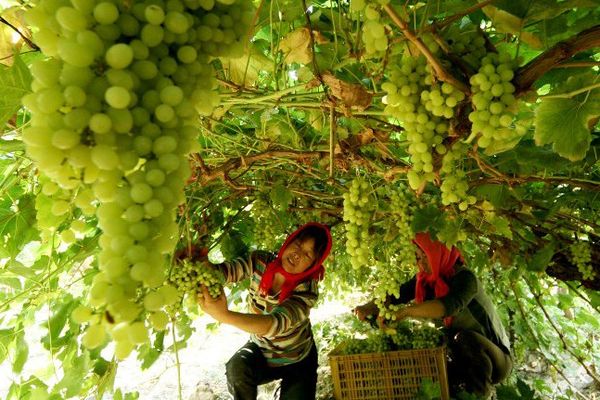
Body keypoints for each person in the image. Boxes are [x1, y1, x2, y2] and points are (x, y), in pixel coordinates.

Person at [354, 232, 513, 398]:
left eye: (426, 255)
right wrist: (368, 308)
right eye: (418, 256)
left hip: (496, 361)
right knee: (432, 373)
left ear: (438, 253)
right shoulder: (427, 281)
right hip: (461, 356)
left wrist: (407, 311)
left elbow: (449, 306)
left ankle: (482, 395)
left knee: (465, 338)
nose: (421, 261)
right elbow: (394, 295)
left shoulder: (465, 278)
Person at [196, 222, 332, 400]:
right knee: (237, 368)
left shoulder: (307, 289)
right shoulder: (260, 261)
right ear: (289, 241)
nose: (297, 254)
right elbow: (222, 273)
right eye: (298, 245)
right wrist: (199, 258)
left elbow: (273, 324)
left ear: (313, 264)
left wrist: (224, 315)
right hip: (262, 351)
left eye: (307, 254)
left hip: (298, 360)